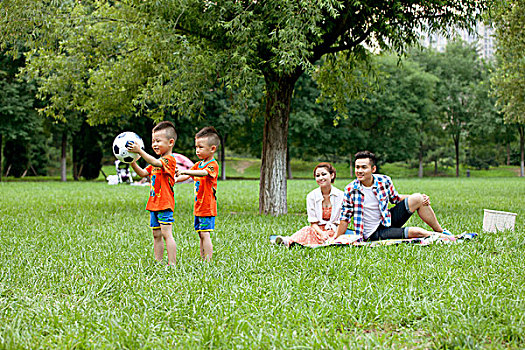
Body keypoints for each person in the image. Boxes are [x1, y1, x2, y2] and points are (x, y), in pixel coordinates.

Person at [333, 150, 454, 242]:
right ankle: (447, 239)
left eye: (364, 167)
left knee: (418, 198)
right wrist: (336, 239)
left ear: (373, 169)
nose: (359, 171)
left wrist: (420, 198)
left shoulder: (384, 181)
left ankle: (440, 231)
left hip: (387, 220)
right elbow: (345, 218)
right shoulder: (350, 189)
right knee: (417, 232)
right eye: (357, 167)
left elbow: (395, 199)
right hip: (373, 233)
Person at [127, 121, 178, 266]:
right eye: (152, 141)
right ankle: (158, 261)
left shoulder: (169, 160)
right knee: (156, 235)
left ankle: (172, 264)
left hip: (165, 204)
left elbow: (156, 164)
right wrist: (132, 161)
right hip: (153, 204)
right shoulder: (156, 162)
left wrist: (140, 152)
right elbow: (143, 173)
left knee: (167, 234)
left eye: (158, 141)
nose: (154, 144)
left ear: (170, 142)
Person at [275, 162, 352, 247]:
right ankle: (287, 241)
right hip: (317, 231)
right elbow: (313, 223)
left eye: (324, 174)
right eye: (317, 176)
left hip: (336, 231)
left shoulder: (341, 195)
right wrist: (322, 234)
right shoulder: (311, 196)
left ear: (332, 175)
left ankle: (329, 241)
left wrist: (335, 235)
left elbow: (342, 222)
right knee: (307, 230)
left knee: (344, 238)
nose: (320, 178)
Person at [176, 126, 220, 261]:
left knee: (205, 234)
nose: (197, 150)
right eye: (196, 147)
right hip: (198, 206)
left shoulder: (212, 165)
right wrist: (174, 180)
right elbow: (187, 176)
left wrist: (186, 171)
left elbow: (203, 173)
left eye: (201, 147)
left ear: (212, 149)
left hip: (207, 207)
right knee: (200, 234)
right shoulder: (198, 164)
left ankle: (208, 260)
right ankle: (202, 258)